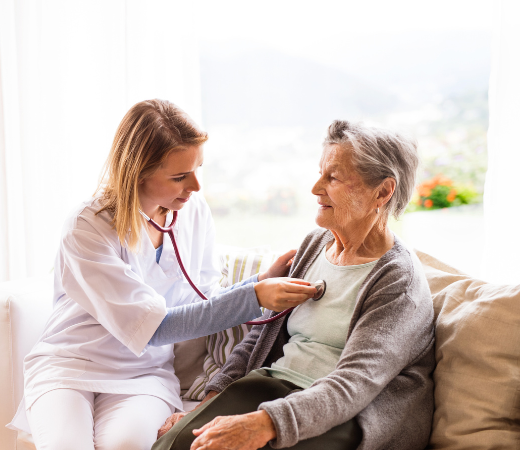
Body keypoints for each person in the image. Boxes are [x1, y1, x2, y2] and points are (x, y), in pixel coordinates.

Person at [7, 99, 318, 450]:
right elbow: (158, 328)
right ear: (138, 173)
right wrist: (254, 297)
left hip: (143, 372)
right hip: (71, 364)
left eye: (198, 168)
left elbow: (202, 300)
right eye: (179, 177)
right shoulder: (87, 227)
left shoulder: (193, 211)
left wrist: (258, 282)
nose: (196, 186)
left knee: (127, 445)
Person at [155, 120, 435, 450]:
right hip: (274, 387)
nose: (316, 188)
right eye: (320, 173)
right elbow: (262, 335)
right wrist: (208, 405)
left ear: (383, 191)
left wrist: (264, 424)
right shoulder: (315, 245)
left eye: (333, 177)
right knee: (176, 444)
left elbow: (355, 383)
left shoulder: (398, 281)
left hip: (350, 414)